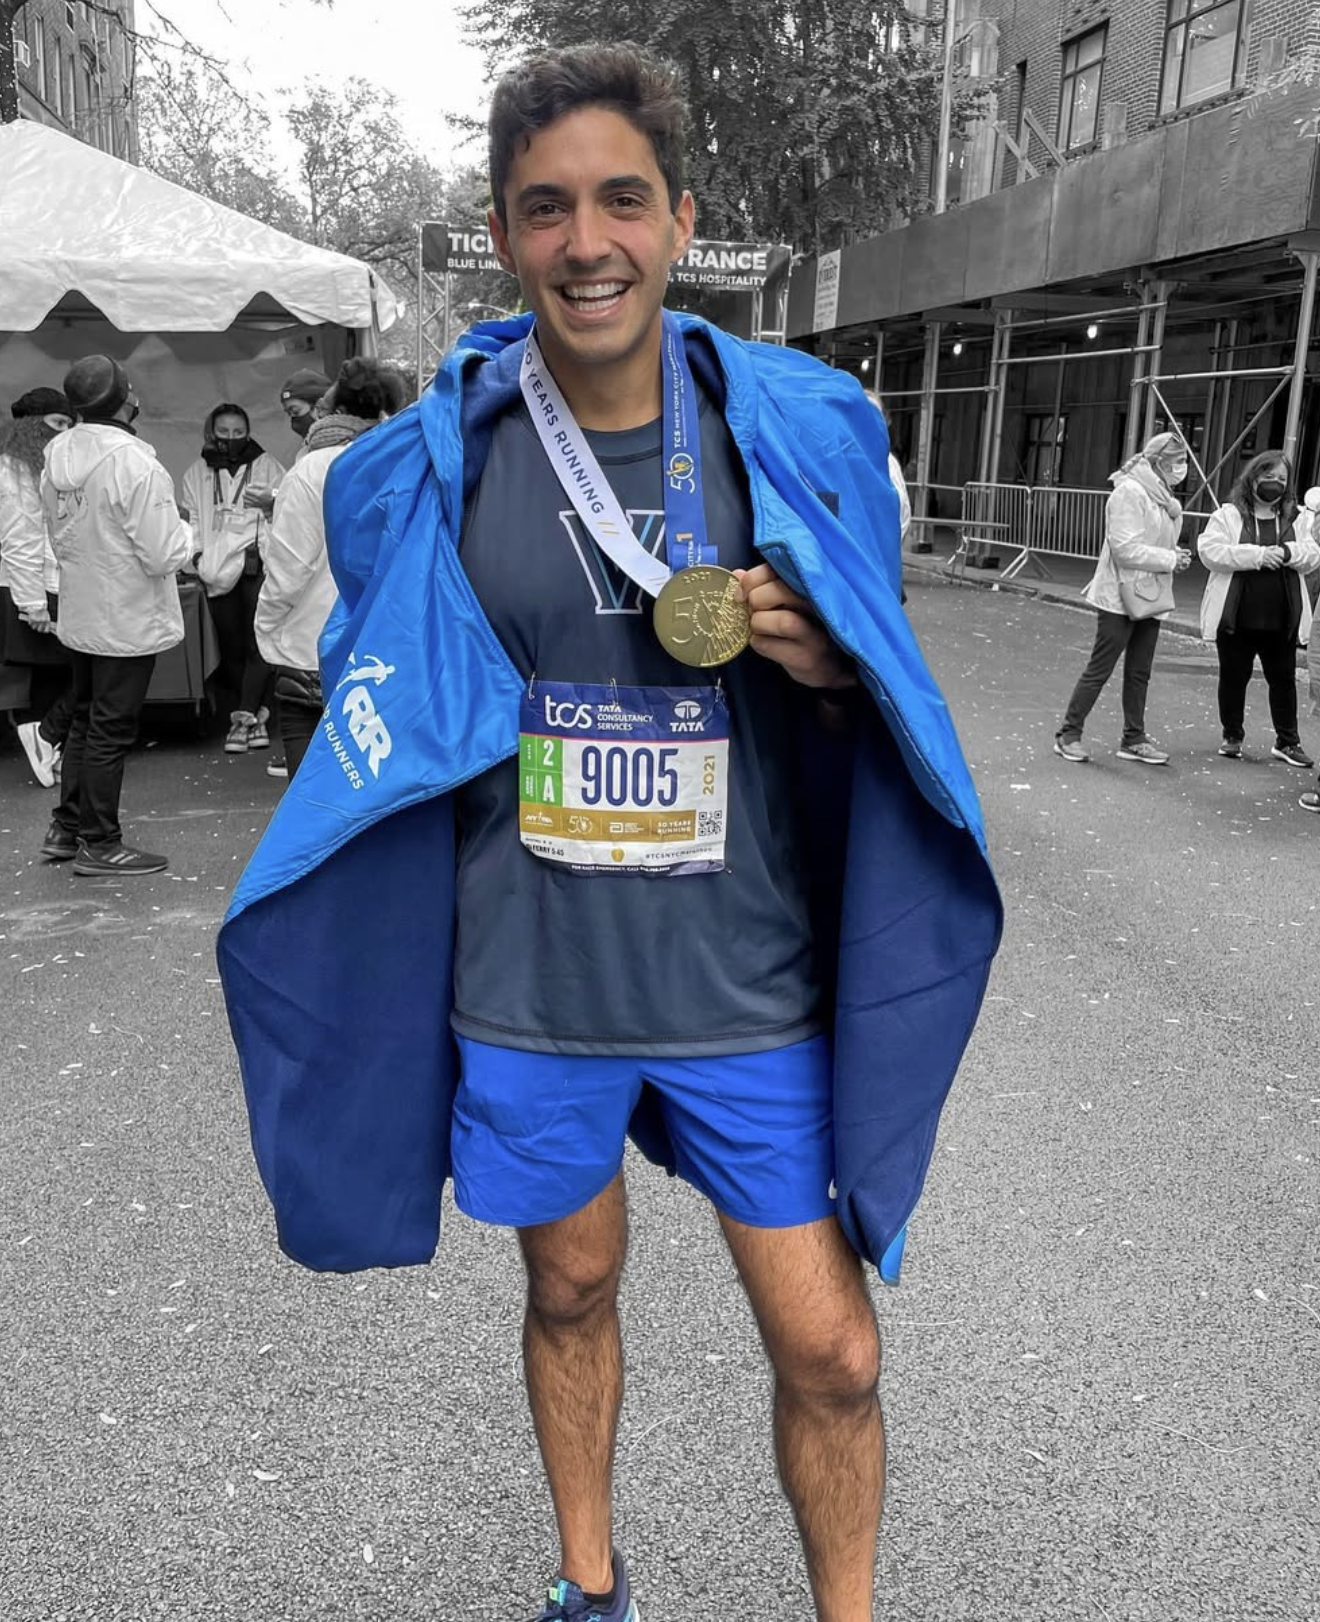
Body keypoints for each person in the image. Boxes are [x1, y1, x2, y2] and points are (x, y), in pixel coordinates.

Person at [219, 44, 1001, 1622]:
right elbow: (378, 704)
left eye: (622, 201)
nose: (589, 241)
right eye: (548, 207)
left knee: (835, 1350)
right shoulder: (435, 467)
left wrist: (836, 670)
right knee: (569, 1283)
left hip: (747, 985)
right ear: (506, 236)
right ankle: (590, 1584)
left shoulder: (787, 435)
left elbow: (887, 723)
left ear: (680, 219)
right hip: (535, 986)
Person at [40, 354, 192, 876]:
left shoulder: (57, 453)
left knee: (85, 720)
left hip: (82, 607)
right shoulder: (134, 463)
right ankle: (100, 843)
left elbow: (55, 532)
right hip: (126, 614)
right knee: (108, 728)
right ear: (126, 400)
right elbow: (163, 553)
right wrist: (187, 530)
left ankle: (67, 827)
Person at [254, 358, 405, 776]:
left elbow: (288, 570)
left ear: (334, 410)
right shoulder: (404, 463)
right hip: (384, 646)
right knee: (371, 780)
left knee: (310, 788)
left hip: (311, 646)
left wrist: (266, 627)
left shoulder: (310, 470)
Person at [1054, 431, 1193, 766]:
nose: (1183, 467)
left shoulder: (1162, 495)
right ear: (1159, 461)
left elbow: (1151, 542)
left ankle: (1134, 738)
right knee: (1100, 667)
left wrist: (1174, 554)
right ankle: (1068, 734)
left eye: (1184, 460)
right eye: (1178, 461)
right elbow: (1125, 548)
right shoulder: (1130, 492)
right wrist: (1170, 559)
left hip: (1150, 594)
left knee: (1139, 671)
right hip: (1120, 593)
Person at [1196, 451, 1318, 766]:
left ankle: (1287, 742)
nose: (1275, 484)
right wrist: (1258, 556)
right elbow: (1210, 551)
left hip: (1282, 617)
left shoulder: (1298, 517)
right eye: (1269, 476)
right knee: (1234, 677)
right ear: (1253, 476)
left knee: (1283, 679)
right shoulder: (1227, 515)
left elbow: (1314, 554)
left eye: (1281, 479)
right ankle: (1232, 736)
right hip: (1236, 616)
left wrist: (1289, 552)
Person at [180, 404, 285, 753]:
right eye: (223, 433)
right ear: (212, 432)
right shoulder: (196, 472)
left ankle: (244, 720)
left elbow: (284, 510)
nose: (231, 439)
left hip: (256, 565)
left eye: (238, 433)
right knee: (230, 646)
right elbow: (193, 520)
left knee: (259, 641)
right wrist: (196, 556)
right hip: (215, 568)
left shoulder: (267, 465)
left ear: (248, 431)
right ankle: (257, 715)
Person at [0, 387, 74, 786]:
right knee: (85, 670)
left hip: (47, 582)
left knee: (54, 674)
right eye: (57, 423)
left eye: (68, 423)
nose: (64, 431)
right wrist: (33, 605)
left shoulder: (35, 467)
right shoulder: (14, 470)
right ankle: (45, 737)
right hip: (33, 586)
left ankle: (49, 751)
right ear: (31, 426)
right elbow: (20, 539)